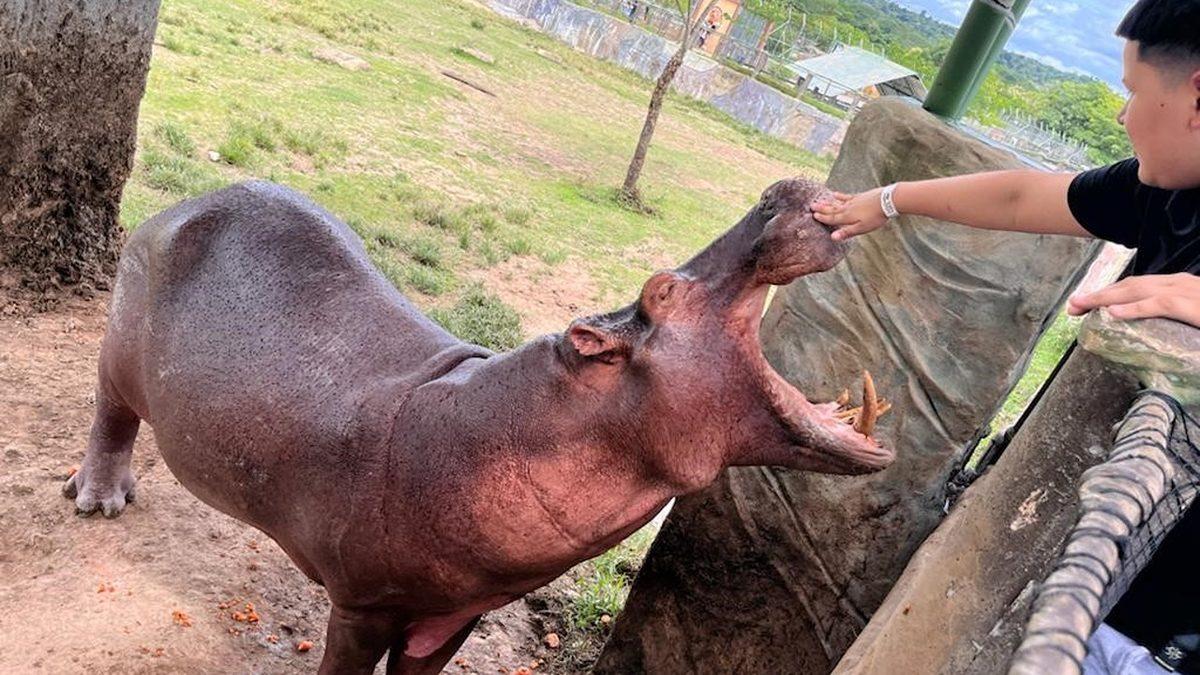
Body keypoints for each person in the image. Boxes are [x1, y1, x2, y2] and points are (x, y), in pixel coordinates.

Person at [812, 0, 1199, 672]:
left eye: (1133, 91)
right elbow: (1023, 197)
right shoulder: (1169, 195)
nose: (1122, 115)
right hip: (1087, 580)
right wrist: (889, 200)